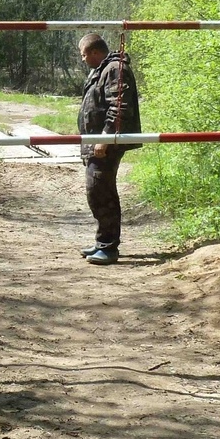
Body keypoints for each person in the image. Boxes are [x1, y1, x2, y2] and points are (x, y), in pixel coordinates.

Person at [76, 33, 141, 265]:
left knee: (101, 192)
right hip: (96, 142)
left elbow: (119, 107)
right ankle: (102, 242)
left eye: (84, 54)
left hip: (106, 144)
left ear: (95, 52)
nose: (83, 59)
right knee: (97, 192)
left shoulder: (114, 69)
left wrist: (105, 138)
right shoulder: (102, 69)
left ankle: (108, 247)